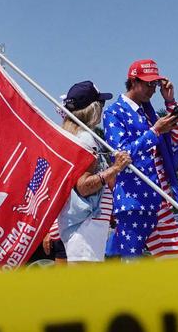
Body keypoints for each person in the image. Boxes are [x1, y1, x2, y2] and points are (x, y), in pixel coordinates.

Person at [102, 60, 178, 259]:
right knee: (131, 264)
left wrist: (170, 102)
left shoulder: (149, 113)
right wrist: (155, 131)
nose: (152, 89)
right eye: (148, 83)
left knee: (175, 261)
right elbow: (122, 154)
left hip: (160, 198)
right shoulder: (114, 112)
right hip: (134, 200)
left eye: (154, 84)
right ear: (133, 81)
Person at [55, 81, 132, 262]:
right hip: (86, 226)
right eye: (101, 104)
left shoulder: (74, 138)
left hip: (82, 226)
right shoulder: (86, 140)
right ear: (93, 108)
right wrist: (116, 168)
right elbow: (84, 186)